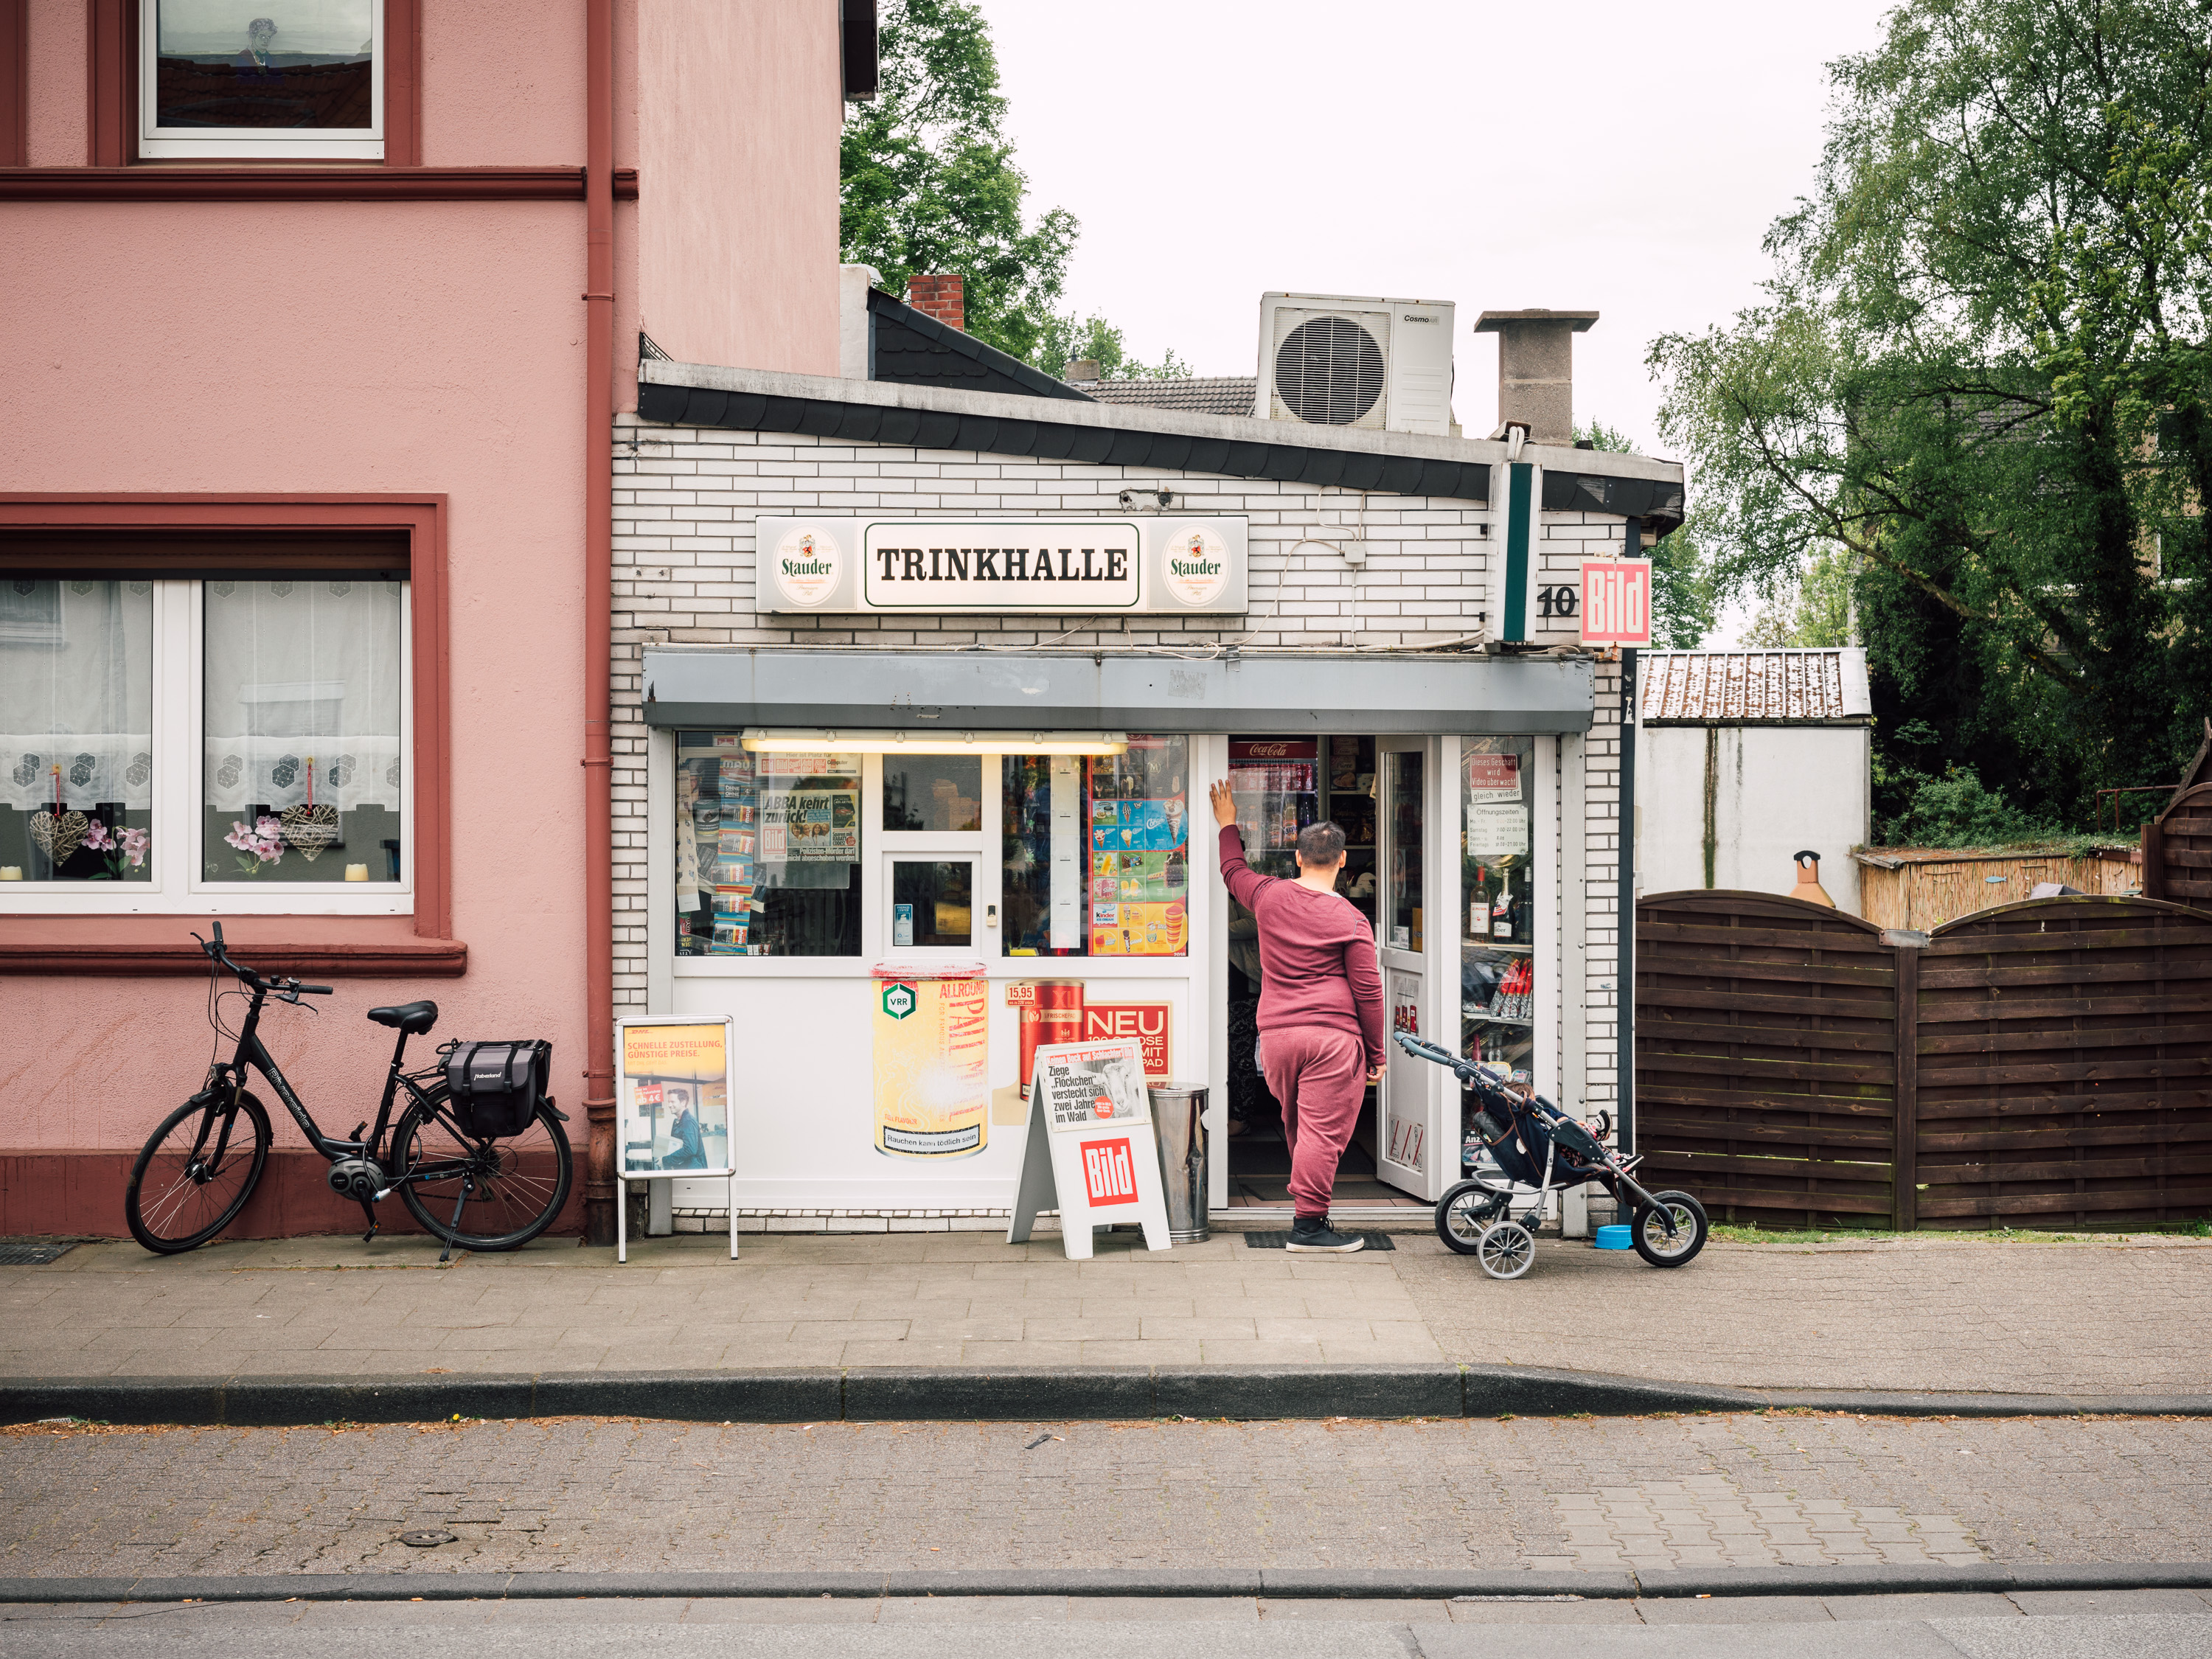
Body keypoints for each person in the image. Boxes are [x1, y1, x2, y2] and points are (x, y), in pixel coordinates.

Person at [1210, 779, 1384, 1252]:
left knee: (1302, 1128)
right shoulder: (1351, 919)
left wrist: (1228, 822)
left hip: (1278, 1038)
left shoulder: (1268, 895)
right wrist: (1376, 1053)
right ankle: (1308, 1227)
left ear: (1298, 858)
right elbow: (1368, 991)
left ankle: (1311, 1213)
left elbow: (1232, 869)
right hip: (1331, 1039)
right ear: (1343, 861)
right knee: (1322, 1133)